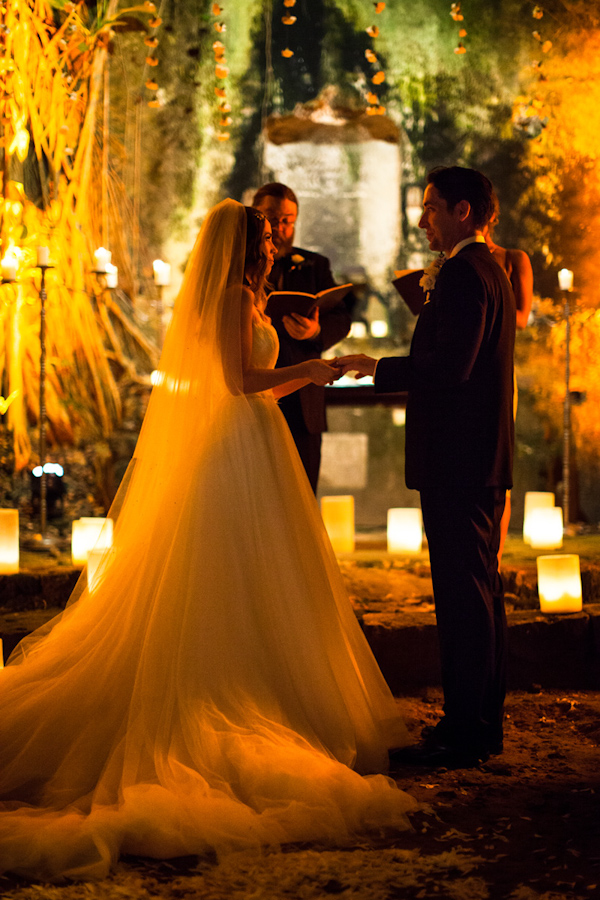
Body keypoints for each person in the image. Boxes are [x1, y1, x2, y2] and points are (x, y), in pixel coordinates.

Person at [0, 200, 415, 882]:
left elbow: (253, 393)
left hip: (256, 443)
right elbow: (235, 383)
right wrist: (304, 372)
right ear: (246, 246)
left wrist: (310, 367)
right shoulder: (229, 296)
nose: (278, 246)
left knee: (267, 582)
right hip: (231, 457)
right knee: (223, 580)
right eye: (267, 238)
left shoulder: (253, 300)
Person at [335, 167, 516, 769]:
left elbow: (450, 368)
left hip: (459, 460)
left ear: (464, 211)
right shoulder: (489, 270)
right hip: (475, 459)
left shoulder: (466, 273)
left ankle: (466, 733)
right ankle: (478, 724)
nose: (422, 219)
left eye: (431, 207)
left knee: (464, 597)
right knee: (480, 592)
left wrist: (376, 367)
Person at [252, 183, 352, 492]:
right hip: (256, 397)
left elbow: (341, 318)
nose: (281, 228)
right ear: (256, 215)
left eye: (289, 220)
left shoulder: (315, 265)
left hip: (304, 403)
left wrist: (316, 331)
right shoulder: (239, 268)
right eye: (273, 218)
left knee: (303, 496)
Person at [483, 201, 534, 562]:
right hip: (461, 372)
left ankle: (495, 555)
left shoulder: (513, 258)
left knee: (496, 465)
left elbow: (522, 317)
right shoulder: (450, 261)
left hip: (496, 372)